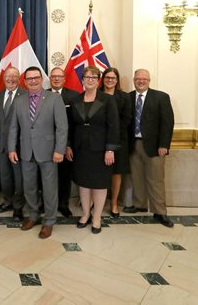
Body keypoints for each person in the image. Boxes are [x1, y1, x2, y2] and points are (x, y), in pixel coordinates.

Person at [8, 66, 68, 239]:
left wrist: (59, 150)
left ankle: (49, 221)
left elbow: (62, 127)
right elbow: (13, 127)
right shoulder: (19, 101)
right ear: (24, 82)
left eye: (36, 78)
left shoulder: (54, 98)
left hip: (49, 153)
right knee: (29, 187)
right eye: (29, 79)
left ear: (42, 79)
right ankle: (33, 216)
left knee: (49, 188)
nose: (33, 81)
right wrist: (12, 148)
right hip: (26, 152)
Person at [66, 66, 119, 234]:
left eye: (93, 77)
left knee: (99, 184)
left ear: (98, 81)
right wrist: (68, 145)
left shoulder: (108, 100)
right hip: (80, 149)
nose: (90, 80)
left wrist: (110, 149)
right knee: (83, 183)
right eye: (87, 77)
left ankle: (96, 218)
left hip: (101, 149)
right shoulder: (75, 100)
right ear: (82, 79)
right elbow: (70, 126)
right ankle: (85, 214)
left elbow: (113, 126)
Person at [127, 69, 175, 228]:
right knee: (137, 177)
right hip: (133, 144)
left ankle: (160, 211)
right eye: (138, 78)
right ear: (134, 79)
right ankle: (139, 204)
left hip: (155, 146)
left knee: (156, 179)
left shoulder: (161, 97)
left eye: (144, 79)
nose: (140, 81)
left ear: (149, 80)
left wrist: (164, 145)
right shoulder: (128, 97)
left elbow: (167, 123)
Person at [0, 66, 25, 222]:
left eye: (14, 76)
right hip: (2, 145)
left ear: (19, 79)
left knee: (19, 178)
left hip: (19, 146)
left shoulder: (25, 95)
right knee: (5, 177)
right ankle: (7, 202)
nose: (10, 79)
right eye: (8, 76)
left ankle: (18, 208)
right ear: (4, 79)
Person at [100, 67, 132, 217]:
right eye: (107, 77)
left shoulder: (124, 97)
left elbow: (127, 119)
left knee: (116, 172)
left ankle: (113, 202)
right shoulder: (96, 95)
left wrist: (112, 135)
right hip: (98, 140)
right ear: (103, 79)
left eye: (113, 78)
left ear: (117, 80)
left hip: (119, 141)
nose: (110, 80)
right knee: (98, 171)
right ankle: (95, 202)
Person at [48, 67, 79, 218]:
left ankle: (63, 204)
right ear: (49, 78)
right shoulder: (43, 94)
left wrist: (68, 144)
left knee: (64, 176)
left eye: (59, 76)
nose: (56, 79)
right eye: (53, 76)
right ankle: (46, 203)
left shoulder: (74, 96)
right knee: (46, 176)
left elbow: (74, 124)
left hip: (65, 144)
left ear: (64, 79)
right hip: (45, 144)